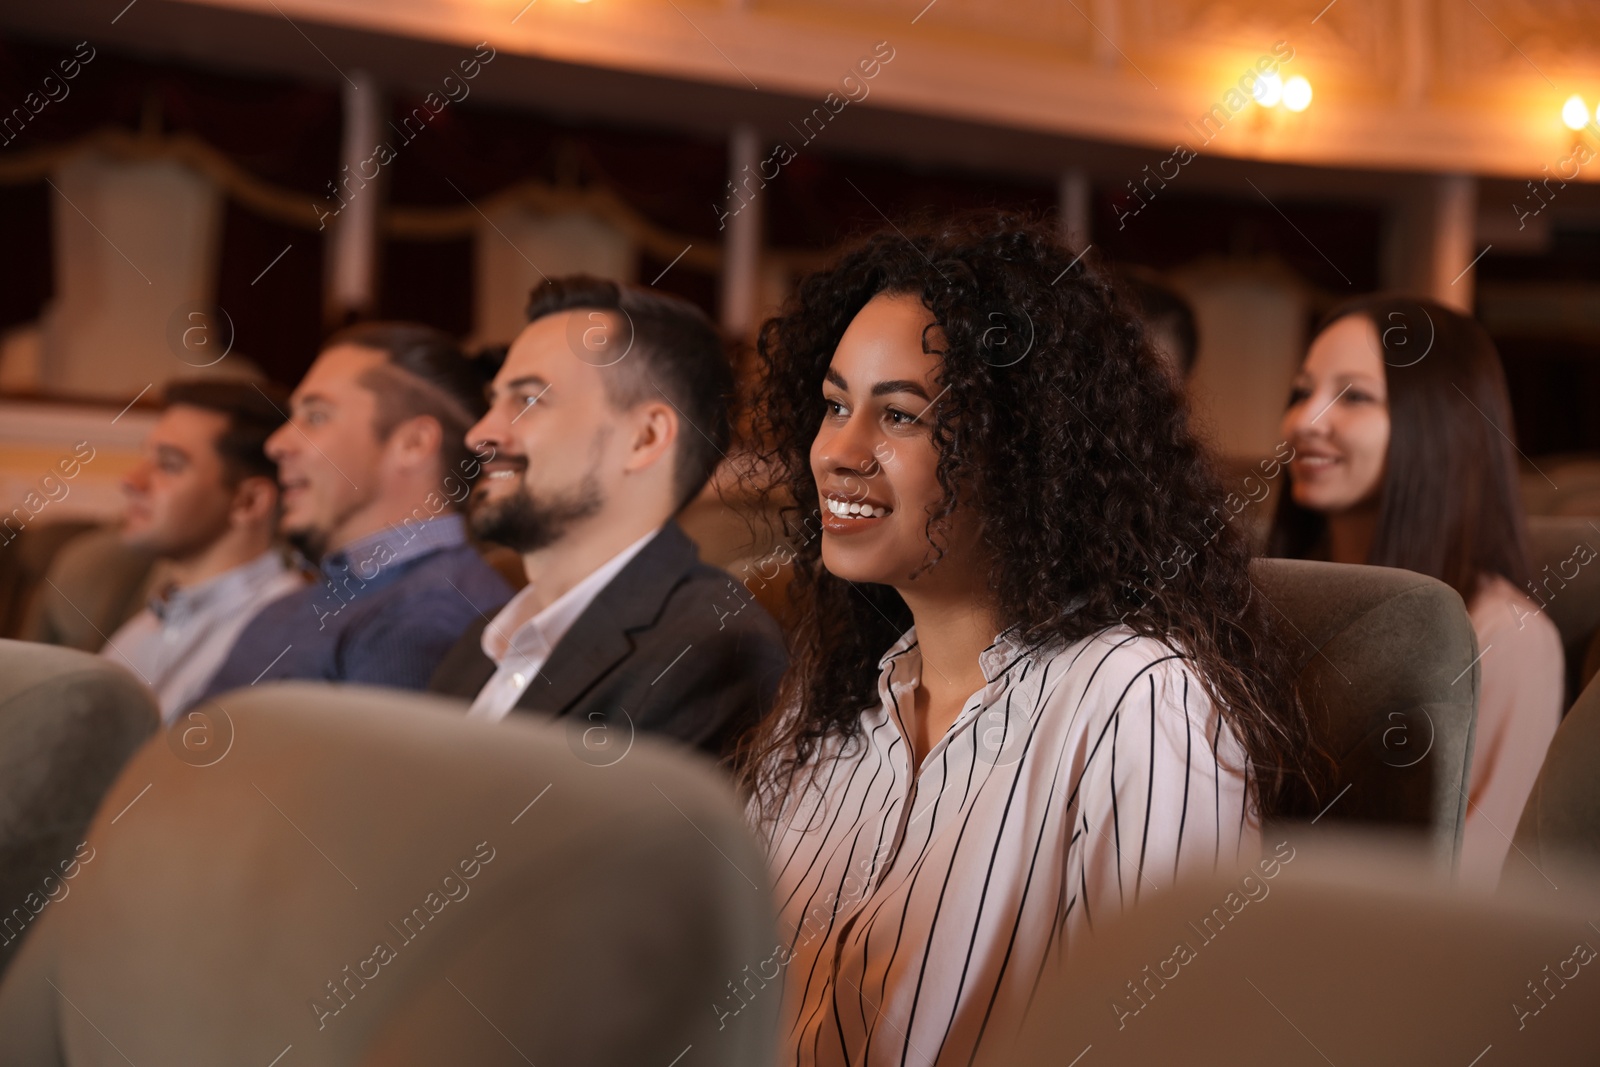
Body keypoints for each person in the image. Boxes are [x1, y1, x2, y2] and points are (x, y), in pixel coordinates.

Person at [733, 213, 1319, 1065]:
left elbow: (1160, 1042)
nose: (838, 450)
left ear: (1021, 450)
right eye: (833, 406)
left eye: (899, 416)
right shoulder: (833, 693)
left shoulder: (1136, 700)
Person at [1269, 294, 1563, 889]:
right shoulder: (1272, 595)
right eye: (1302, 392)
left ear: (1439, 426)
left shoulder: (1506, 636)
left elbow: (1465, 880)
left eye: (1353, 396)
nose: (1304, 421)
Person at [428, 276, 787, 759]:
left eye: (529, 400)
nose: (480, 434)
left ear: (644, 438)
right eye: (494, 401)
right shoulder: (481, 640)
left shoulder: (710, 651)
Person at [196, 323, 513, 702]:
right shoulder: (301, 602)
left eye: (316, 417)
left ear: (413, 444)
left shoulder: (427, 617)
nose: (277, 444)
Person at [98, 379, 304, 720]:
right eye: (145, 458)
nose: (132, 480)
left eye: (168, 464)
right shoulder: (146, 624)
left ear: (249, 502)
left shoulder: (280, 636)